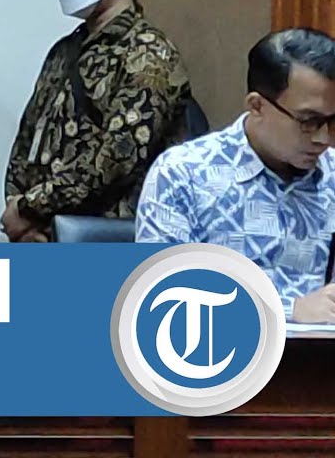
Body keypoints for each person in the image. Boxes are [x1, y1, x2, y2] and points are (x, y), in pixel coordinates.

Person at [3, 0, 192, 242]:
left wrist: (30, 209)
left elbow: (117, 160)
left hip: (110, 239)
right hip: (43, 236)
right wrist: (21, 217)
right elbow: (28, 141)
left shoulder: (148, 53)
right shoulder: (64, 51)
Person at [137, 28, 335, 323]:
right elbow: (162, 297)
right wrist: (288, 310)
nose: (323, 138)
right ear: (257, 106)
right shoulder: (184, 174)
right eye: (309, 121)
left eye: (333, 122)